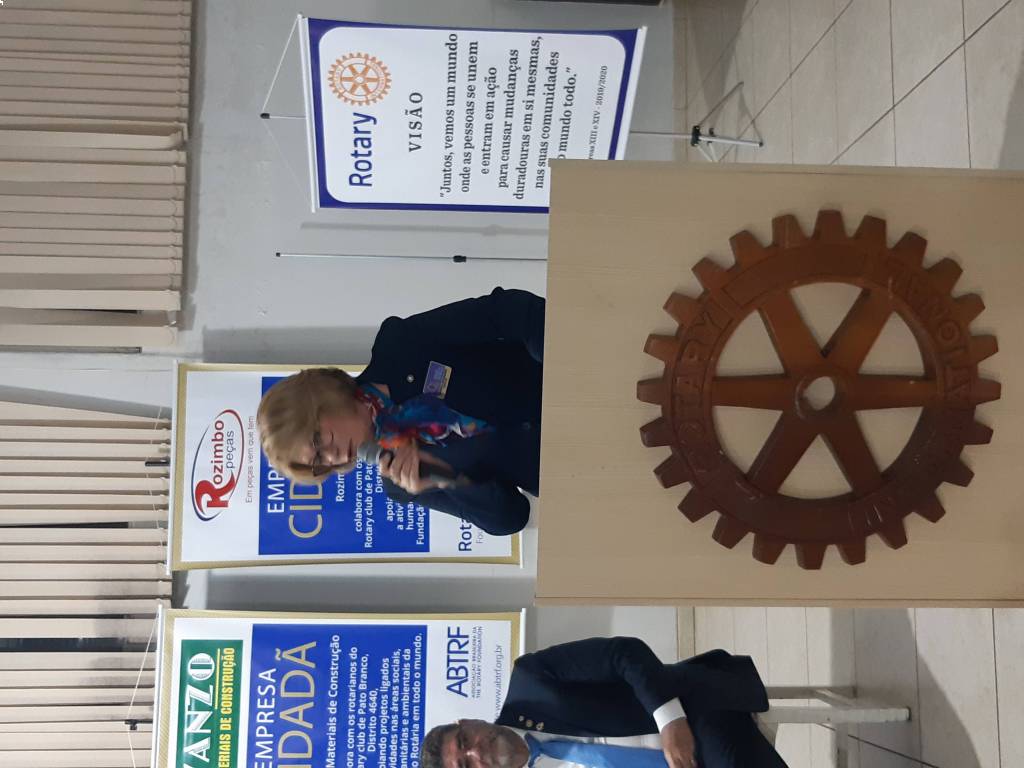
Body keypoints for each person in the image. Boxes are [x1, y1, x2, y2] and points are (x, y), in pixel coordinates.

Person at [257, 286, 544, 536]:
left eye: (318, 441)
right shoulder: (401, 485)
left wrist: (560, 358)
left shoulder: (400, 346)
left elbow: (506, 311)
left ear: (321, 398)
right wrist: (447, 477)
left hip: (563, 378)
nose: (332, 458)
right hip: (561, 468)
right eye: (319, 461)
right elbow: (511, 517)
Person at [420, 636, 788, 768]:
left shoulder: (532, 680)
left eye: (464, 741)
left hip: (691, 714)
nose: (477, 753)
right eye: (466, 766)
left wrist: (670, 721)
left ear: (467, 722)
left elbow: (624, 654)